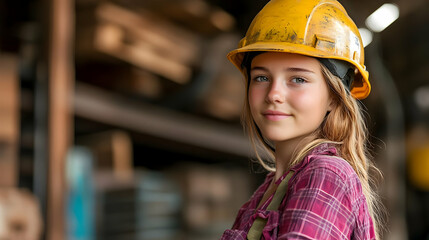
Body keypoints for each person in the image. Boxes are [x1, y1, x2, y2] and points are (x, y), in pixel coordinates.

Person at [220, 0, 384, 239]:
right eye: (261, 78)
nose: (274, 94)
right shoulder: (266, 192)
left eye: (298, 79)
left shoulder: (326, 176)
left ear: (333, 98)